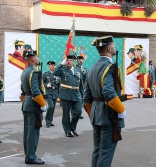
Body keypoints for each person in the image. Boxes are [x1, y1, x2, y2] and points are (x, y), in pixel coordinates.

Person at [84, 36, 126, 167]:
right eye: (113, 45)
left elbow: (87, 97)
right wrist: (121, 111)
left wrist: (92, 114)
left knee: (97, 150)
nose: (114, 47)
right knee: (106, 152)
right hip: (109, 115)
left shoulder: (92, 68)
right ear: (109, 48)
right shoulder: (110, 67)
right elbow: (108, 92)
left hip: (96, 115)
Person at [20, 50, 47, 165]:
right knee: (33, 133)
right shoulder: (34, 72)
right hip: (34, 106)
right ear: (32, 59)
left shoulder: (25, 71)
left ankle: (28, 154)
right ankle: (31, 157)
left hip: (27, 103)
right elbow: (36, 91)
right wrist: (43, 104)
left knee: (28, 132)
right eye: (36, 57)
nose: (38, 58)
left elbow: (23, 89)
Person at [53, 55, 84, 137]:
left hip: (76, 95)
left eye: (70, 60)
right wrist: (61, 64)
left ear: (73, 62)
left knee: (78, 112)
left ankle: (73, 127)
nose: (69, 61)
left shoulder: (78, 70)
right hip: (65, 95)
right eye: (67, 60)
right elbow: (55, 72)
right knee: (66, 114)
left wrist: (82, 95)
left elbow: (81, 84)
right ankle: (67, 131)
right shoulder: (62, 70)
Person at [42, 61, 60, 128]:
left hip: (55, 93)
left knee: (53, 108)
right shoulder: (46, 74)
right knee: (51, 106)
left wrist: (59, 93)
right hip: (48, 92)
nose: (53, 66)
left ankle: (50, 121)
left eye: (54, 65)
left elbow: (59, 84)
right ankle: (47, 121)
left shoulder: (57, 75)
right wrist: (47, 85)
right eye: (52, 65)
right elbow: (43, 83)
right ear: (49, 66)